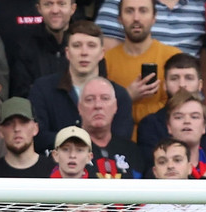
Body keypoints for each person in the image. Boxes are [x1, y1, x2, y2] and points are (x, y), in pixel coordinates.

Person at [28, 21, 133, 150]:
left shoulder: (119, 95)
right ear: (67, 52)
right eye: (77, 46)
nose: (84, 52)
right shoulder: (43, 89)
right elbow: (38, 137)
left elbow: (121, 141)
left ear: (102, 53)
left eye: (91, 46)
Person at [103, 0, 180, 126]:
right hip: (119, 142)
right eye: (129, 11)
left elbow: (177, 108)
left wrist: (123, 104)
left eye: (143, 11)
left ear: (154, 18)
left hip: (162, 141)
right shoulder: (106, 60)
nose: (136, 18)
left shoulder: (172, 57)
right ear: (119, 19)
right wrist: (127, 96)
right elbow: (99, 112)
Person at [9, 0, 75, 98]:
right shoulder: (24, 47)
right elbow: (21, 96)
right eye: (48, 4)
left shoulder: (87, 45)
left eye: (61, 4)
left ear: (72, 8)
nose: (55, 10)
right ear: (39, 9)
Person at [0, 96, 54, 177]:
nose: (17, 128)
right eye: (9, 123)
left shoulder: (55, 173)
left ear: (35, 128)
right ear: (0, 131)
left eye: (23, 122)